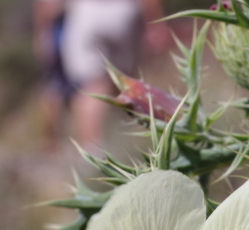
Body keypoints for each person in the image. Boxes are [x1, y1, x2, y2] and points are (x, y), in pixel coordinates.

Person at [61, 0, 168, 150]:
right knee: (126, 84)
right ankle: (139, 148)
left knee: (92, 87)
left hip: (86, 12)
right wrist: (155, 22)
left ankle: (94, 153)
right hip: (124, 12)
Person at [33, 0, 74, 152]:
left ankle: (57, 141)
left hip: (65, 35)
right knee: (54, 91)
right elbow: (48, 8)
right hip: (59, 36)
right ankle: (51, 142)